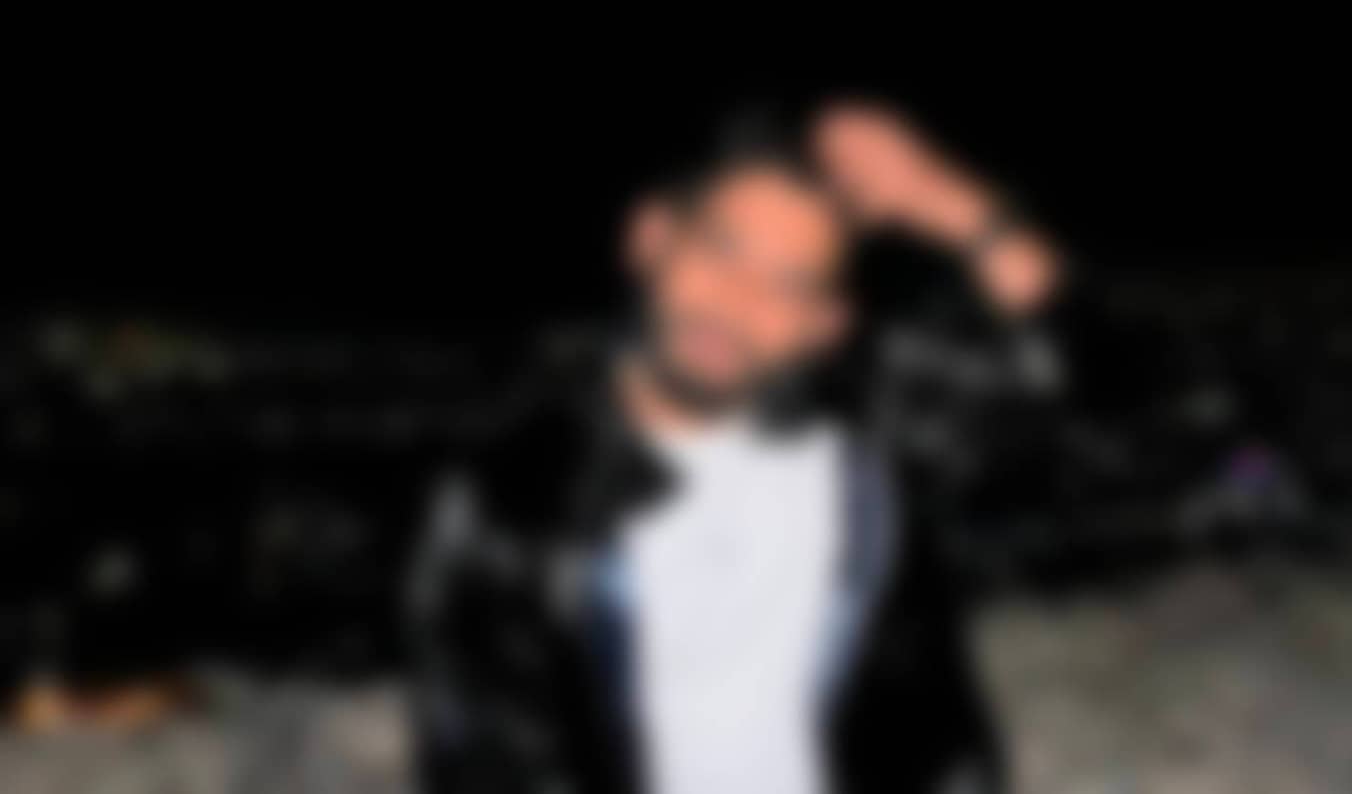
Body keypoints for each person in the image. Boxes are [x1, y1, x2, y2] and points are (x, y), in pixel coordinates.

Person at [406, 100, 1062, 794]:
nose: (738, 300)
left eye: (789, 283)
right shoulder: (514, 495)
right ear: (652, 237)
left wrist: (948, 203)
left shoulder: (871, 453)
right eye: (723, 247)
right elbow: (484, 760)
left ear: (825, 326)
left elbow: (1091, 385)